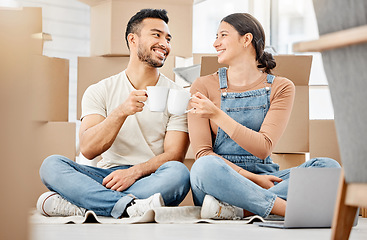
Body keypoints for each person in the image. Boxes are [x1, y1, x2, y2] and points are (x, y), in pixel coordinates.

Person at [36, 9, 190, 219]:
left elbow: (175, 155)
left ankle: (87, 205)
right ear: (133, 39)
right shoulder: (100, 90)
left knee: (178, 174)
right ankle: (130, 207)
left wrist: (134, 172)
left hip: (151, 177)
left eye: (168, 38)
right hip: (107, 177)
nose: (165, 43)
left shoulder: (177, 95)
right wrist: (121, 112)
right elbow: (88, 149)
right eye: (157, 35)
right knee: (51, 165)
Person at [188, 13, 340, 220]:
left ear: (246, 39)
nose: (216, 43)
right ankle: (290, 210)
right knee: (203, 167)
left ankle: (240, 210)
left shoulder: (281, 86)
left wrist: (217, 115)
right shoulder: (203, 85)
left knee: (329, 168)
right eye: (216, 36)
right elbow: (204, 154)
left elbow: (263, 147)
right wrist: (252, 180)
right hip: (221, 181)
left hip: (265, 175)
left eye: (223, 35)